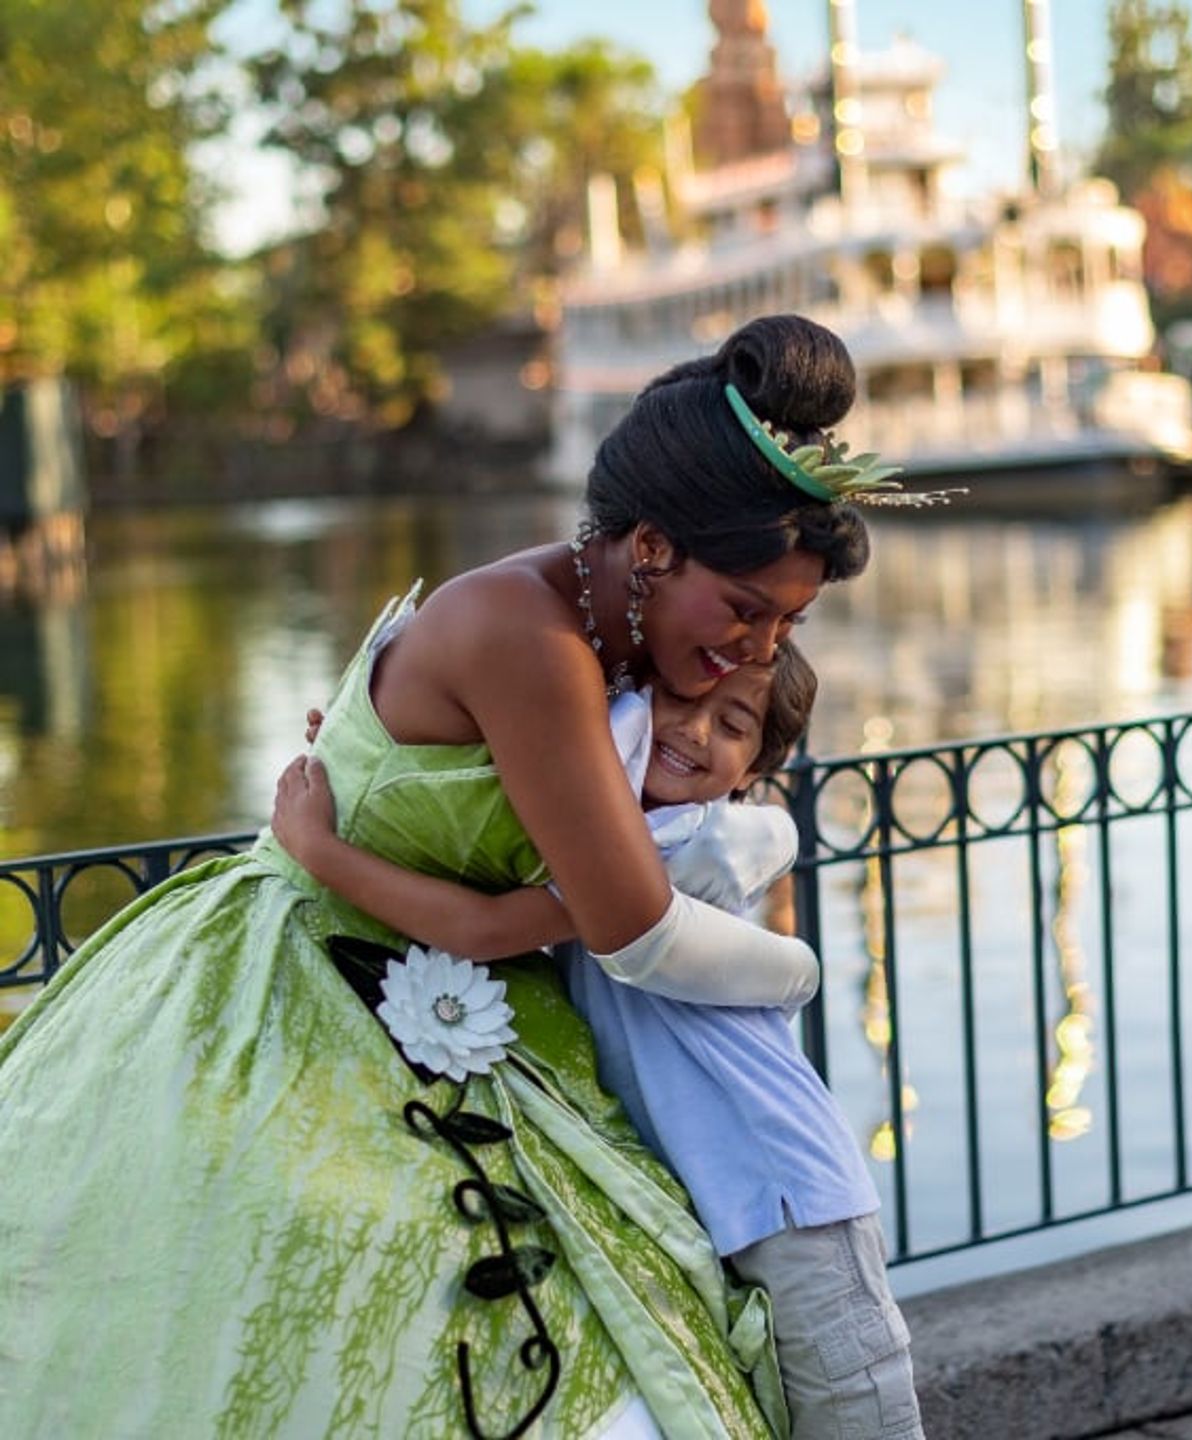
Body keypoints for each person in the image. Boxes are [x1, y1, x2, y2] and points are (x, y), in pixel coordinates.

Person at [0, 314, 894, 1439]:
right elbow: (634, 928)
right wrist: (800, 967)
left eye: (790, 623)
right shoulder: (529, 636)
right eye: (749, 610)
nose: (762, 651)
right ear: (654, 546)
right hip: (315, 994)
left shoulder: (622, 645)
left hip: (456, 1001)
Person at [272, 642, 926, 1440]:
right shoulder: (598, 817)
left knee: (857, 1417)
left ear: (752, 769)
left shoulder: (675, 845)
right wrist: (375, 760)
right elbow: (484, 803)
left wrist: (323, 852)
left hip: (786, 1194)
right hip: (710, 1195)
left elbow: (485, 926)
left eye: (733, 723)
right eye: (680, 699)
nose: (691, 731)